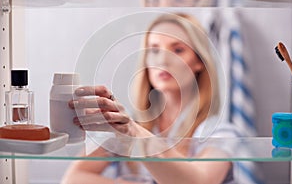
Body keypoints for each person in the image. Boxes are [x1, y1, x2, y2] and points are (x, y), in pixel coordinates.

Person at [62, 12, 241, 184]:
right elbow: (72, 179)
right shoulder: (125, 125)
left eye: (178, 50)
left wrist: (134, 132)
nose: (162, 60)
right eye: (154, 50)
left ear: (199, 62)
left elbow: (199, 181)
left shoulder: (220, 133)